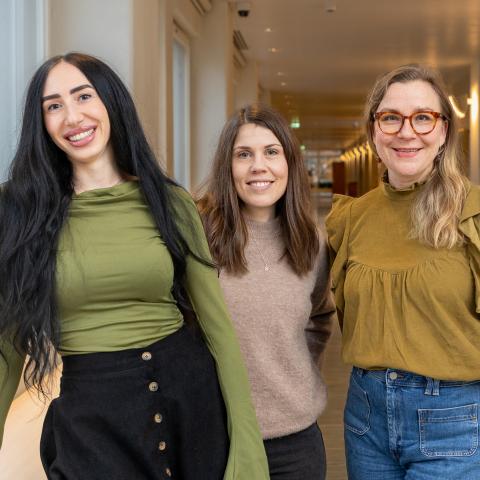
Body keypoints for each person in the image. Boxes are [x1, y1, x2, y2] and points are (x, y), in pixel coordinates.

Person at [0, 52, 270, 480]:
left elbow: (218, 330)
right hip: (92, 415)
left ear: (110, 102)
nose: (72, 116)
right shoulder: (17, 211)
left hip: (190, 399)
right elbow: (7, 345)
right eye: (53, 106)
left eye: (83, 96)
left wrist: (247, 447)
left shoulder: (169, 202)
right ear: (42, 124)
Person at [326, 64, 480, 479]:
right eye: (391, 117)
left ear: (444, 130)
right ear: (374, 130)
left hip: (455, 421)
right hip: (365, 417)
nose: (406, 131)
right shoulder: (352, 218)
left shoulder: (473, 214)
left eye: (423, 117)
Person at [197, 104, 336, 479]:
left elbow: (320, 316)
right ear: (229, 168)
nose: (259, 166)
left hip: (295, 440)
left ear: (290, 164)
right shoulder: (198, 240)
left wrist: (291, 369)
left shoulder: (312, 244)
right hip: (215, 437)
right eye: (244, 155)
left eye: (272, 152)